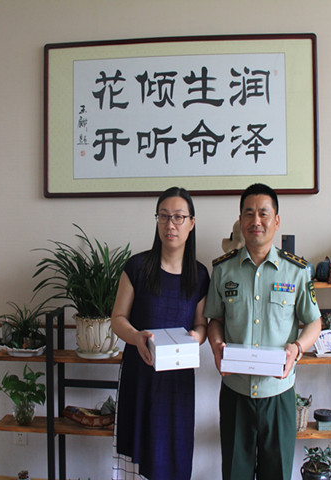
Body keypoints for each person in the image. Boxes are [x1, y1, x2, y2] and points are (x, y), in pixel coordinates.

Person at [205, 183, 322, 480]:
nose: (256, 221)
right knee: (235, 474)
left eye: (263, 213)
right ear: (240, 220)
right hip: (235, 392)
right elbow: (215, 319)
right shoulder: (223, 270)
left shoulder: (297, 271)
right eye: (249, 213)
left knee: (277, 474)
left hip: (279, 394)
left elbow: (314, 322)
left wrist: (297, 348)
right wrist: (216, 345)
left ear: (276, 221)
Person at [111, 186, 210, 480]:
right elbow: (117, 319)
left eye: (179, 217)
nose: (170, 225)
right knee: (137, 459)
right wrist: (136, 337)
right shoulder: (137, 267)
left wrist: (196, 338)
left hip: (178, 380)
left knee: (174, 456)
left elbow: (201, 325)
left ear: (191, 223)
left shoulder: (199, 275)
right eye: (164, 216)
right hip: (140, 374)